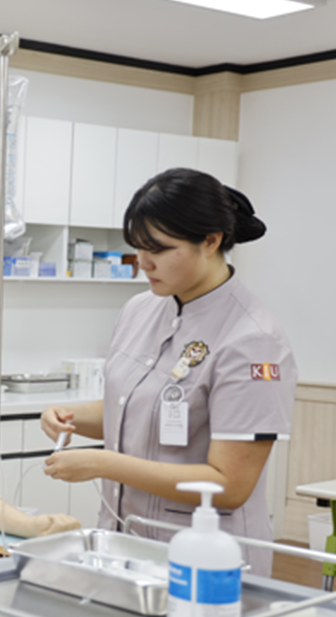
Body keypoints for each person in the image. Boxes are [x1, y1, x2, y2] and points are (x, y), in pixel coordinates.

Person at [41, 168, 297, 575]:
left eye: (158, 249)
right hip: (125, 542)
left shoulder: (253, 340)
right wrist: (69, 416)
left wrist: (105, 464)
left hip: (206, 558)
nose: (143, 262)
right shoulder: (140, 310)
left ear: (210, 241)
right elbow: (136, 410)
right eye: (138, 247)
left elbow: (229, 484)